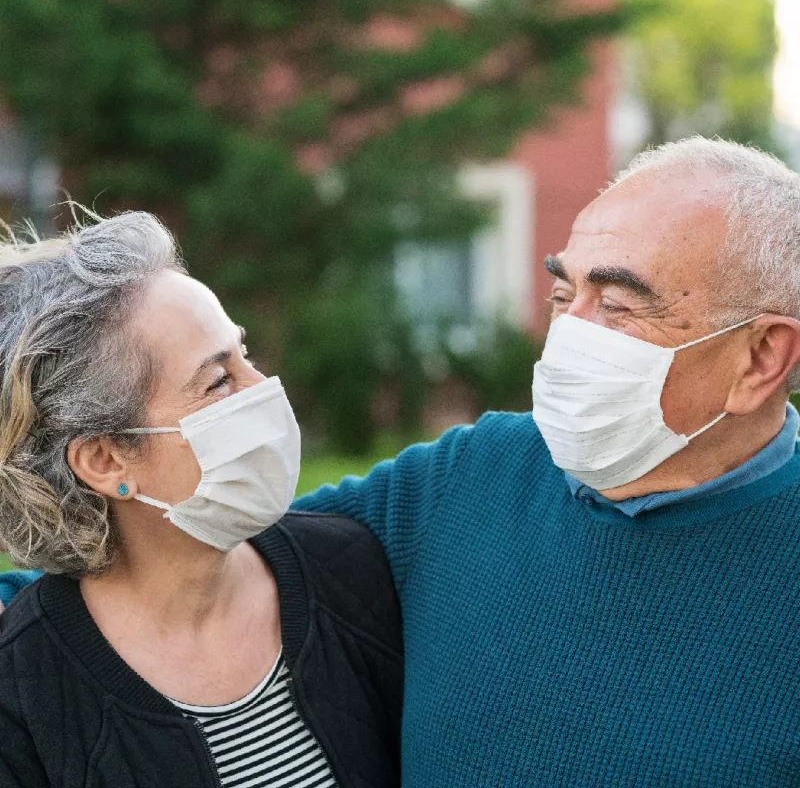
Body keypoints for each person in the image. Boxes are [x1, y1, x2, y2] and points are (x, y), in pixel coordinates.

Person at [5, 136, 800, 787]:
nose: (570, 338)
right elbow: (163, 561)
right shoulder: (468, 481)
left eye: (619, 305)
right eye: (565, 297)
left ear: (762, 357)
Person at [0, 211, 403, 787]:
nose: (262, 389)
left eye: (244, 354)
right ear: (105, 461)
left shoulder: (350, 572)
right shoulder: (22, 694)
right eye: (218, 381)